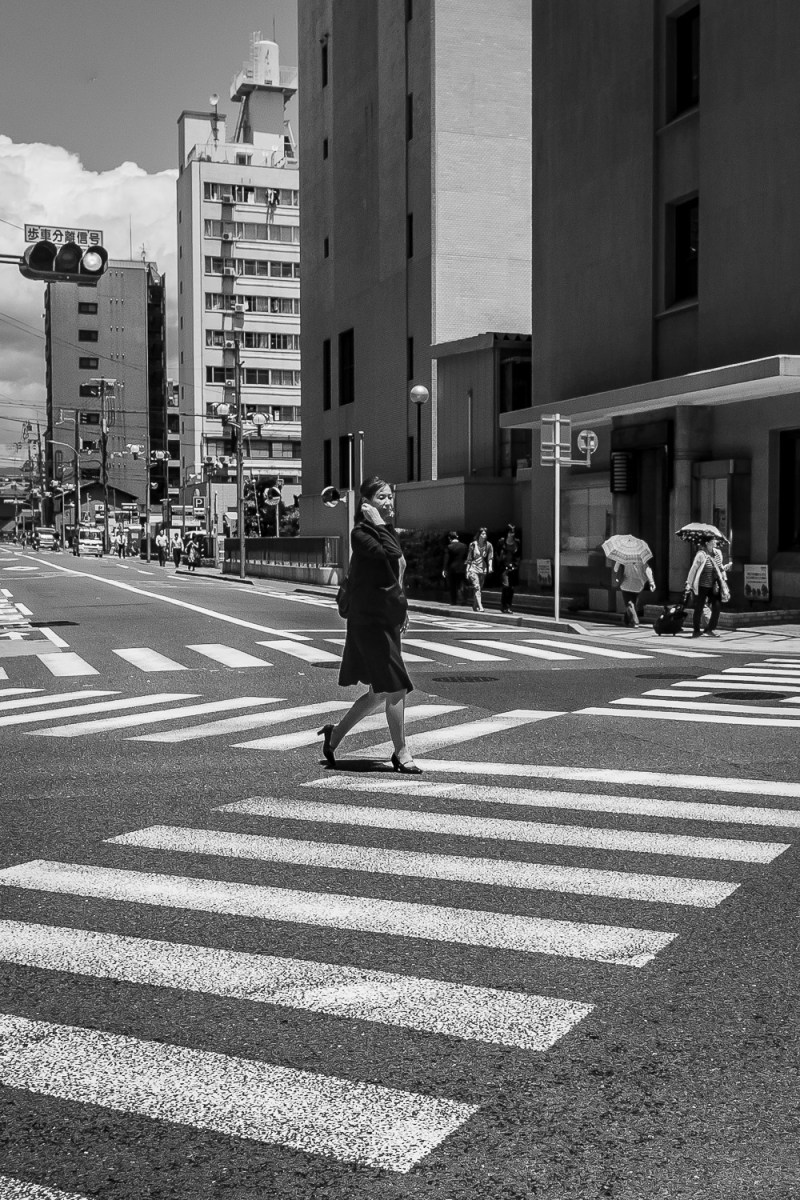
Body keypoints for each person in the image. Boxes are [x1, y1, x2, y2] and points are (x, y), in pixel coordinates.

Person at [318, 475, 421, 774]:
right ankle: (401, 752)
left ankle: (334, 736)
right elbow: (391, 555)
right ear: (366, 504)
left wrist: (403, 608)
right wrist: (376, 522)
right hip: (368, 620)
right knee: (397, 685)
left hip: (387, 616)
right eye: (381, 498)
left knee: (379, 691)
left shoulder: (385, 530)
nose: (388, 502)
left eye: (390, 497)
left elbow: (397, 570)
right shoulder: (360, 534)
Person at [684, 534, 731, 637]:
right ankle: (696, 630)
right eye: (713, 541)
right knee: (699, 607)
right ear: (707, 543)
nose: (715, 542)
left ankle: (710, 629)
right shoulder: (701, 554)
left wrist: (724, 569)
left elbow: (719, 568)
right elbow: (693, 570)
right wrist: (689, 584)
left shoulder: (717, 553)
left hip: (714, 585)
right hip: (702, 585)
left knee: (717, 606)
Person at [613, 557, 656, 627]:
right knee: (633, 602)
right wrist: (652, 582)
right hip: (638, 585)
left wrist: (618, 560)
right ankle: (627, 620)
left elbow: (615, 569)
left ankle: (635, 621)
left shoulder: (623, 557)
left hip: (626, 584)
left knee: (629, 603)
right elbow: (647, 569)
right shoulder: (641, 558)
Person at [465, 527, 494, 613]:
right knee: (477, 587)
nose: (484, 536)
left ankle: (475, 605)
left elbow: (490, 557)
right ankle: (481, 606)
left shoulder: (488, 545)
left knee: (479, 589)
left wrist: (490, 566)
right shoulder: (473, 545)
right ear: (479, 535)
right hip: (473, 569)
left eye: (485, 534)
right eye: (482, 534)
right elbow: (469, 558)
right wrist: (467, 570)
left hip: (483, 569)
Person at [497, 524, 522, 614]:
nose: (512, 534)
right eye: (510, 532)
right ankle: (504, 605)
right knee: (506, 586)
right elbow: (498, 554)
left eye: (513, 532)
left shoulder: (517, 542)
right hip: (504, 568)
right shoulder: (501, 542)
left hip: (513, 568)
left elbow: (519, 556)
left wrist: (515, 565)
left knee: (511, 588)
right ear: (507, 533)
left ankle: (508, 606)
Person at [441, 531, 468, 606]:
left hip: (452, 568)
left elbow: (446, 559)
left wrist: (444, 569)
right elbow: (467, 558)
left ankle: (454, 601)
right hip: (463, 568)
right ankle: (463, 599)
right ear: (457, 537)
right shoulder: (464, 546)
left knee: (453, 585)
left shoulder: (449, 547)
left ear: (449, 538)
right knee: (462, 584)